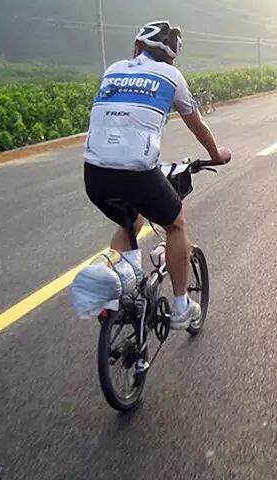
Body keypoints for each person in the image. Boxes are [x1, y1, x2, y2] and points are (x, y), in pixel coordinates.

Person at [82, 20, 231, 330]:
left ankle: (116, 275)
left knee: (131, 219)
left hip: (94, 173)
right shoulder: (171, 76)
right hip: (137, 172)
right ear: (172, 56)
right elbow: (198, 126)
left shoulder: (114, 69)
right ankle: (180, 308)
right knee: (175, 224)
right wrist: (216, 154)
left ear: (138, 46)